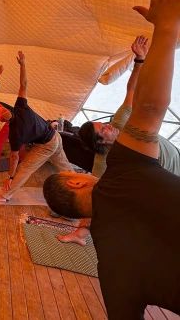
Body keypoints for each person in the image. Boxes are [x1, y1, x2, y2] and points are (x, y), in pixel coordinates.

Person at [43, 0, 180, 318]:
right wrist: (166, 29)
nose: (107, 127)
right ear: (76, 179)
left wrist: (139, 60)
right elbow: (148, 106)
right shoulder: (119, 169)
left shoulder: (110, 267)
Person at [59, 35, 163, 245]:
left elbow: (131, 90)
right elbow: (93, 196)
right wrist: (80, 231)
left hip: (170, 155)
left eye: (104, 125)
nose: (109, 126)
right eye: (103, 130)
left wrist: (139, 60)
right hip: (165, 170)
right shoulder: (104, 161)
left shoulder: (121, 121)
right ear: (101, 143)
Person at [0, 51, 73, 202]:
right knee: (66, 168)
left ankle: (4, 195)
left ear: (0, 120)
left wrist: (10, 177)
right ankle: (84, 186)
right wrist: (23, 64)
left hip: (47, 144)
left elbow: (14, 157)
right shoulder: (20, 106)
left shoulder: (14, 132)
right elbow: (23, 84)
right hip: (55, 136)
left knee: (24, 169)